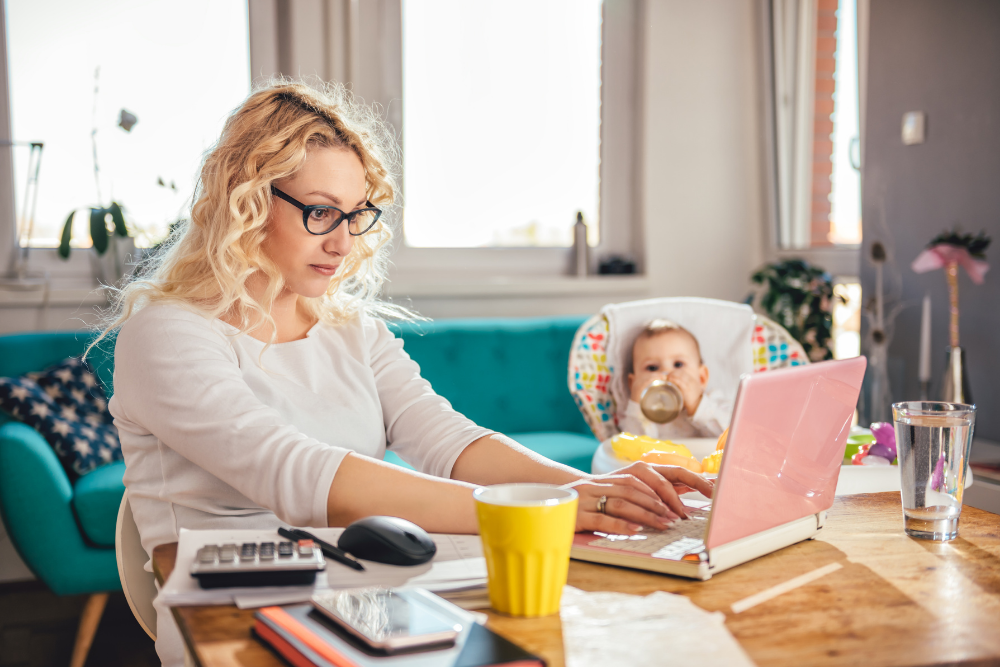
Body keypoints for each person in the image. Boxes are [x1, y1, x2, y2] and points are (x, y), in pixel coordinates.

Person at [101, 81, 713, 665]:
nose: (343, 243)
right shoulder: (167, 333)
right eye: (320, 212)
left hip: (363, 592)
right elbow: (294, 474)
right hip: (232, 617)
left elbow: (443, 437)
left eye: (355, 215)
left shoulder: (349, 327)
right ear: (249, 200)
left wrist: (590, 491)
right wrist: (538, 507)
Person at [620, 319, 731, 439]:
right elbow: (631, 448)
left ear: (702, 378)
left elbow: (733, 438)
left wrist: (696, 404)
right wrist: (636, 404)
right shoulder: (639, 414)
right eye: (652, 368)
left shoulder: (714, 402)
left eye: (678, 365)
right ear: (633, 384)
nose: (666, 374)